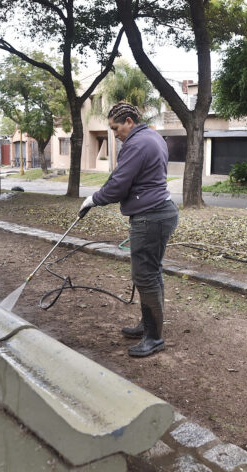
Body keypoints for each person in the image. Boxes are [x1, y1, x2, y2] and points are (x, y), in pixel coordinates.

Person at [79, 102, 179, 357]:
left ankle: (154, 337)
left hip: (151, 217)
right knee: (151, 273)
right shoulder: (153, 137)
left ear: (129, 122)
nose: (115, 134)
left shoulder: (136, 143)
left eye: (115, 128)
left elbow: (119, 185)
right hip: (160, 212)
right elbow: (125, 177)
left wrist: (94, 199)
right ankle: (149, 326)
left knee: (145, 276)